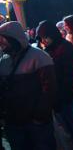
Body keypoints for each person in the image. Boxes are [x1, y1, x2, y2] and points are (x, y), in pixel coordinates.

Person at [0, 21, 56, 150]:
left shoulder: (39, 56)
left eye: (2, 37)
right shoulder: (3, 61)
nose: (0, 42)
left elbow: (49, 90)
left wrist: (39, 116)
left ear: (13, 37)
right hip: (13, 123)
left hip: (36, 125)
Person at [36, 20, 73, 150]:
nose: (44, 41)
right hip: (57, 102)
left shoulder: (65, 47)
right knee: (68, 133)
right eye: (42, 38)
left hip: (69, 99)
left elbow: (69, 77)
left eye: (45, 37)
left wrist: (60, 97)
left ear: (51, 34)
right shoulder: (48, 51)